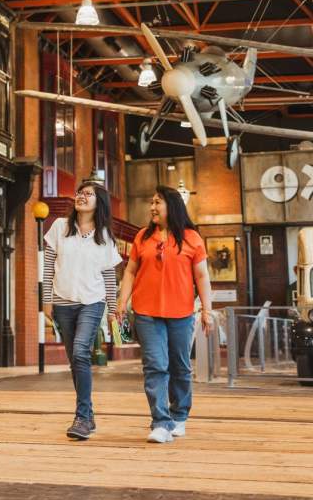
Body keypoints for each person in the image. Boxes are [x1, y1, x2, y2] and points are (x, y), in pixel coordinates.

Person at [116, 185, 213, 444]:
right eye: (151, 202)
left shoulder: (192, 238)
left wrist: (207, 309)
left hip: (181, 313)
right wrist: (122, 301)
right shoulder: (142, 237)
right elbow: (130, 272)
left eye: (158, 202)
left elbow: (202, 276)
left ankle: (179, 416)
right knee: (155, 366)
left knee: (179, 366)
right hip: (146, 312)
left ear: (172, 205)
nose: (152, 207)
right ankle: (160, 422)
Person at [43, 181, 121, 441]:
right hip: (62, 303)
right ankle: (87, 415)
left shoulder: (105, 236)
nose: (82, 197)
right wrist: (46, 301)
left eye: (89, 194)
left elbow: (110, 276)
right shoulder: (59, 228)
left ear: (99, 202)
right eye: (80, 193)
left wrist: (113, 309)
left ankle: (83, 417)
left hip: (92, 302)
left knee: (80, 352)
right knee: (75, 361)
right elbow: (48, 266)